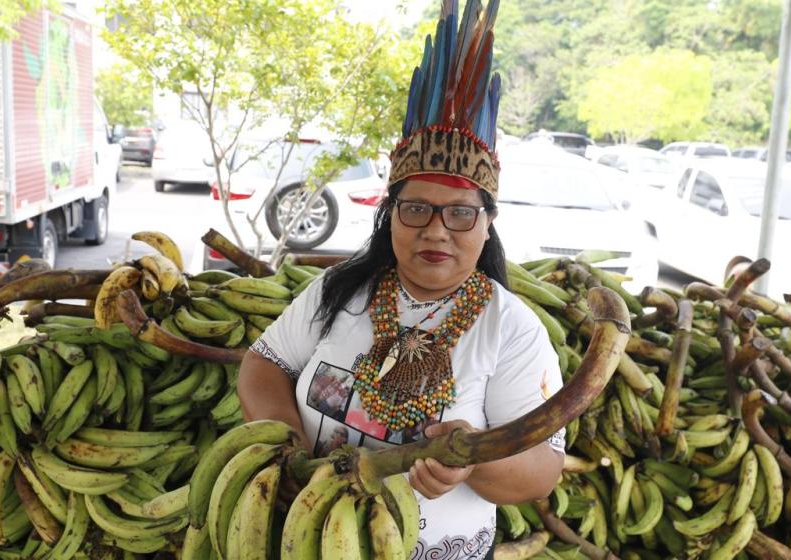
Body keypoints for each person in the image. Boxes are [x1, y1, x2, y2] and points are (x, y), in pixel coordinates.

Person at [237, 1, 564, 557]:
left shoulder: (512, 329)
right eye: (416, 209)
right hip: (310, 536)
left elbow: (541, 470)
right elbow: (264, 365)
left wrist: (471, 463)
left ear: (488, 224)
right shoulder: (340, 289)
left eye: (460, 213)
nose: (437, 231)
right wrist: (289, 451)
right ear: (390, 215)